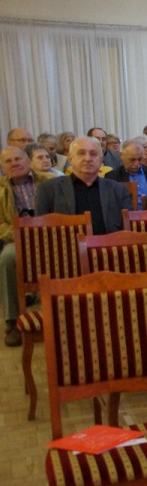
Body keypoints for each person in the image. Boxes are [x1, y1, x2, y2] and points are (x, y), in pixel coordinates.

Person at [0, 147, 55, 346]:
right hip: (17, 239)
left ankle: (67, 313)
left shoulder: (50, 181)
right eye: (8, 161)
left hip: (51, 236)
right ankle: (12, 322)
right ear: (2, 167)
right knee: (7, 258)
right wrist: (20, 235)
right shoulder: (1, 189)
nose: (14, 163)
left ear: (28, 161)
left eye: (18, 159)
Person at [35, 137, 131, 234]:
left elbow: (128, 230)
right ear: (70, 158)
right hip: (67, 243)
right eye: (81, 153)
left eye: (93, 154)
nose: (88, 159)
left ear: (101, 160)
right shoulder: (49, 189)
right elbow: (40, 231)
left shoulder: (118, 190)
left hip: (108, 243)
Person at [107, 139, 147, 209]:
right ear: (121, 155)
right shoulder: (113, 176)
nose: (136, 164)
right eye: (132, 160)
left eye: (140, 159)